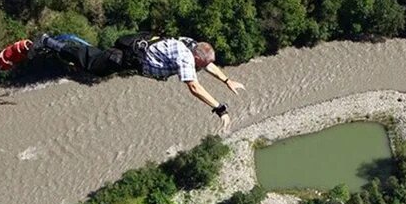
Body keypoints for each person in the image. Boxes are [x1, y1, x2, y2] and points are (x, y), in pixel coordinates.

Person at [29, 32, 245, 127]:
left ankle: (61, 50)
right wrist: (220, 109)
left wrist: (226, 80)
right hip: (125, 58)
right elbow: (195, 87)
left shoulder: (192, 45)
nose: (201, 68)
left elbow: (208, 65)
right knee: (92, 64)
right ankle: (48, 42)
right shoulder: (185, 56)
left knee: (96, 66)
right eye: (200, 65)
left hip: (135, 50)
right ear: (196, 58)